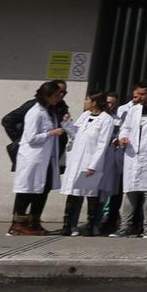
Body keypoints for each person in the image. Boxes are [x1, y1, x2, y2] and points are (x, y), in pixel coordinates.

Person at [9, 80, 69, 236]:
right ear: (47, 96)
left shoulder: (50, 111)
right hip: (33, 159)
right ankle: (18, 224)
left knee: (43, 190)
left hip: (46, 159)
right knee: (27, 190)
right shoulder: (35, 112)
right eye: (56, 95)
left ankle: (34, 222)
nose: (59, 97)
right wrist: (51, 133)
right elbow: (31, 137)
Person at [56, 92, 119, 236]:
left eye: (88, 100)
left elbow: (103, 144)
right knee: (73, 193)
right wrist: (67, 124)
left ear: (95, 102)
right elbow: (75, 134)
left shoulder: (106, 120)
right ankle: (67, 225)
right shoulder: (85, 116)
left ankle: (91, 225)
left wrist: (93, 165)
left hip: (90, 163)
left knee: (91, 195)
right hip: (76, 161)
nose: (85, 102)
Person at [112, 82, 147, 237]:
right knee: (129, 192)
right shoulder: (133, 110)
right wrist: (122, 139)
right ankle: (125, 227)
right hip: (132, 155)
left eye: (142, 94)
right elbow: (125, 129)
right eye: (137, 94)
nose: (138, 98)